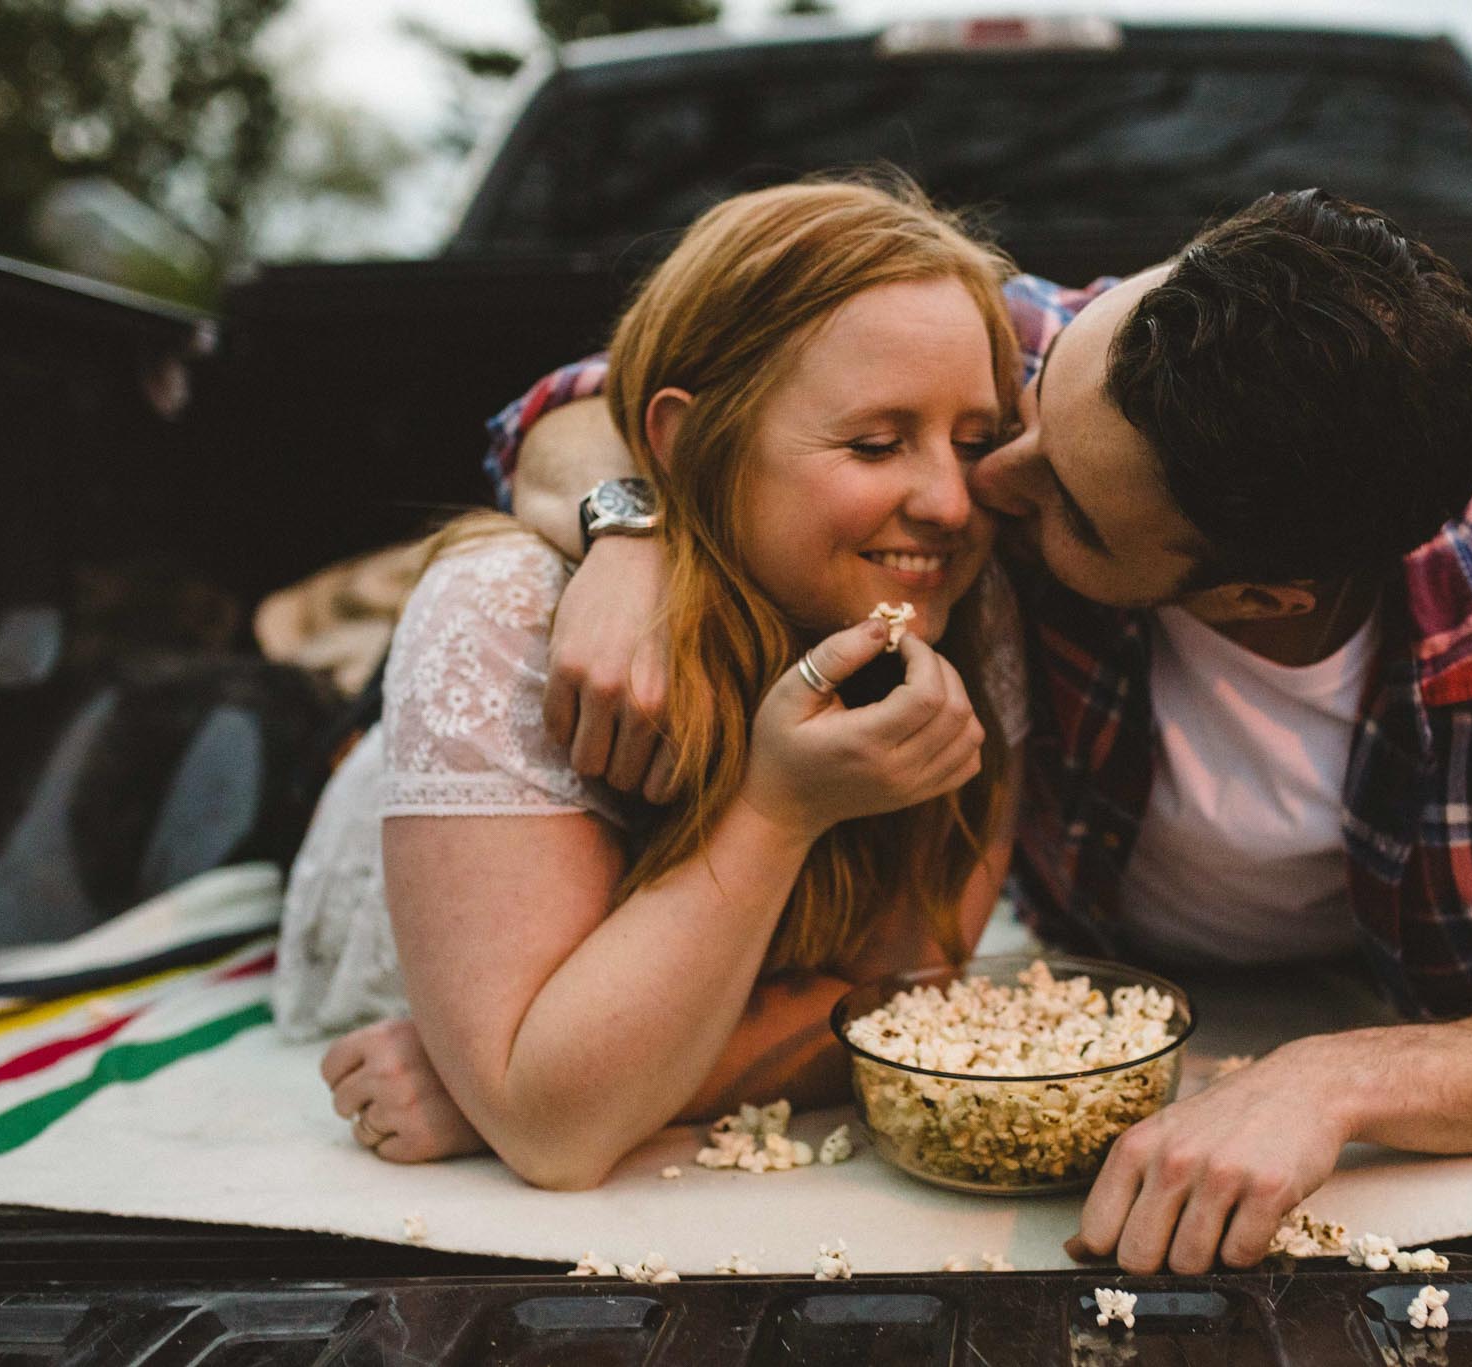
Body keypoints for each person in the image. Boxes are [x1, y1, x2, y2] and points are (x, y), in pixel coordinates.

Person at [487, 189, 1472, 1263]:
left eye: (1070, 510)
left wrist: (1329, 1083)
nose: (978, 485)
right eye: (1030, 407)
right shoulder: (1047, 346)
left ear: (1261, 592)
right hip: (1038, 979)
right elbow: (603, 394)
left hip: (1377, 1006)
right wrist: (629, 523)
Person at [273, 178, 1030, 1190]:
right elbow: (561, 1140)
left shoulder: (963, 606)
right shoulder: (506, 609)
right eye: (874, 443)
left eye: (972, 442)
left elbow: (901, 996)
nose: (947, 501)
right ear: (683, 441)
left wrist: (550, 1080)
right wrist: (775, 810)